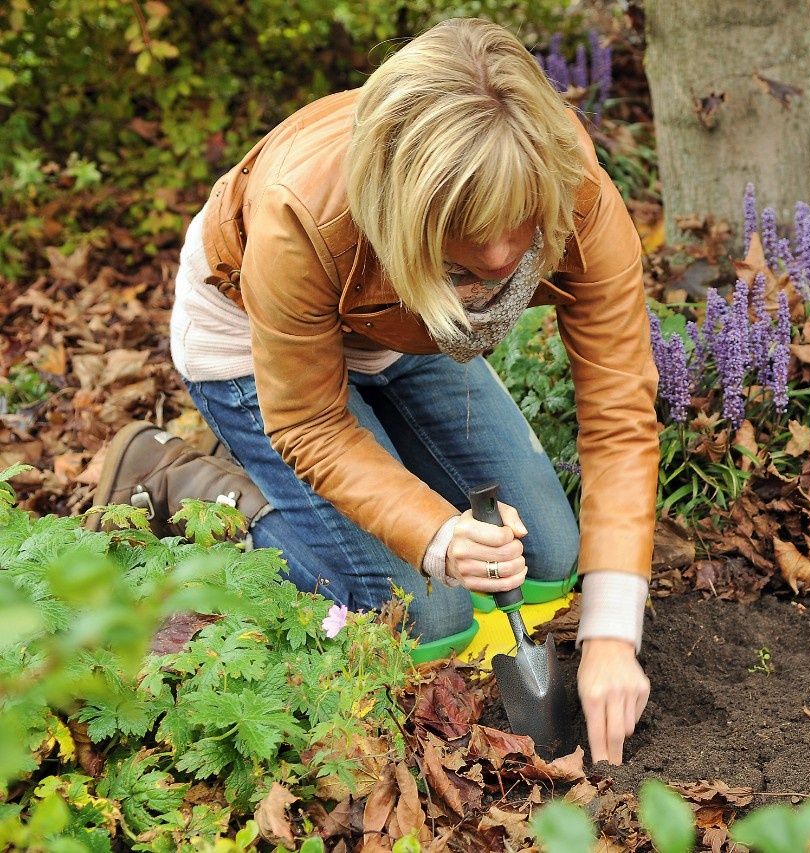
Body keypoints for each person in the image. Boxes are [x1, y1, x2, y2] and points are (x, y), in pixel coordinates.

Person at [90, 18, 658, 765]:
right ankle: (178, 481)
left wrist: (614, 633)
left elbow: (618, 412)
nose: (497, 259)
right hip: (252, 334)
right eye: (467, 242)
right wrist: (438, 535)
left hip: (405, 326)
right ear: (411, 212)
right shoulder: (301, 213)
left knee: (554, 559)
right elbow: (314, 424)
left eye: (516, 234)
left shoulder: (571, 184)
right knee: (429, 616)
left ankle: (393, 476)